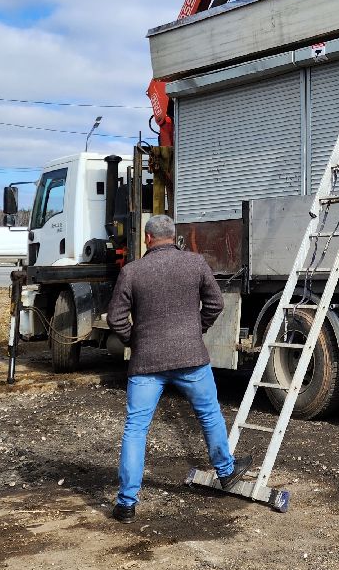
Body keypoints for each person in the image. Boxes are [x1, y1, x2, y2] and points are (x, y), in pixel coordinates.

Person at [106, 214, 251, 521]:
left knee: (136, 429)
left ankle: (127, 504)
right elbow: (216, 304)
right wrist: (196, 330)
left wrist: (137, 340)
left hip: (146, 363)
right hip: (191, 358)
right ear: (174, 236)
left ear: (148, 238)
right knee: (209, 414)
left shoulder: (132, 272)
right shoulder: (196, 264)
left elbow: (115, 317)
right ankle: (226, 472)